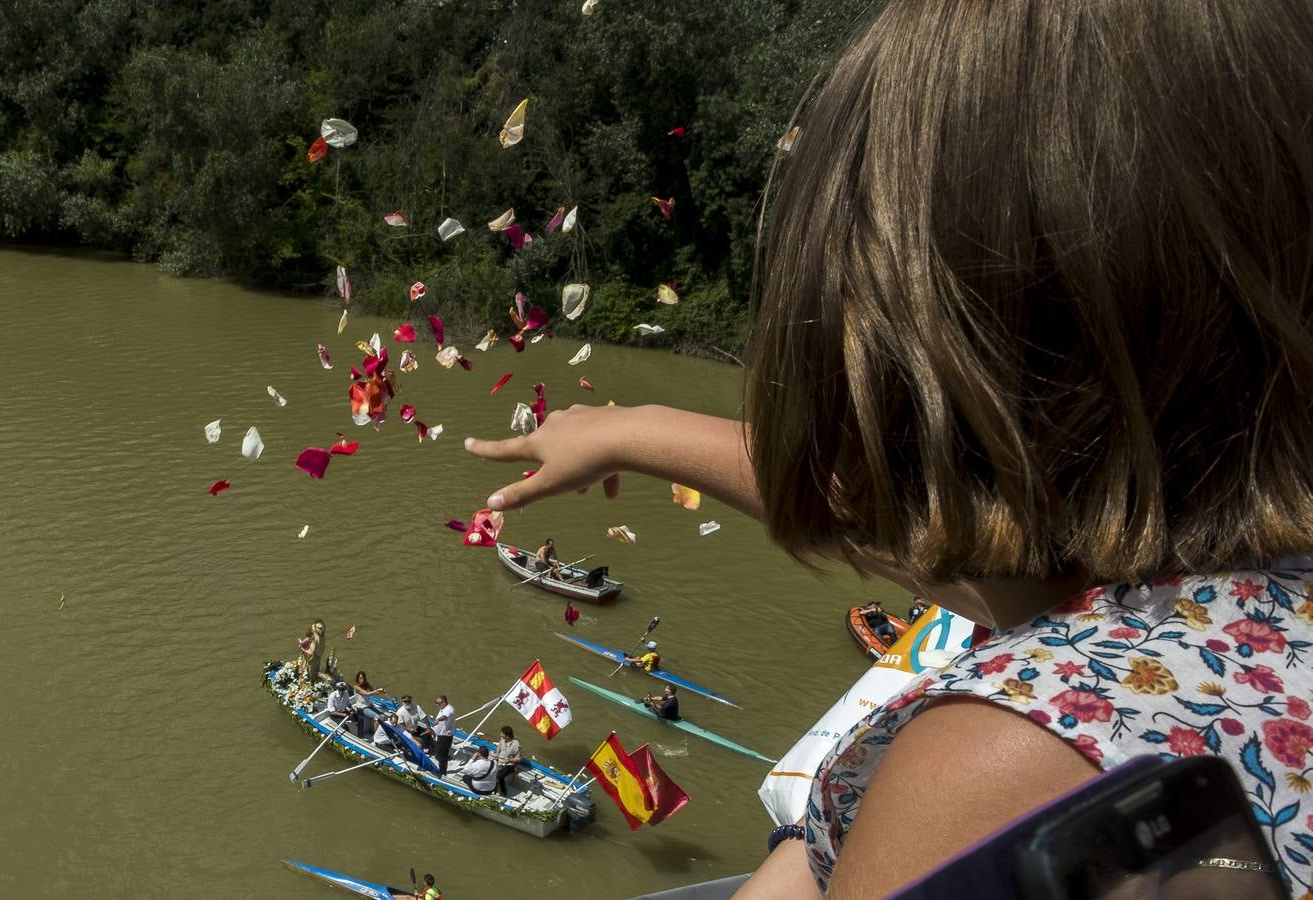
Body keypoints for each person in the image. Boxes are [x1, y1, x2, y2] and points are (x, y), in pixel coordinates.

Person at [463, 2, 1313, 894]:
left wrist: (816, 852)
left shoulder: (1006, 761)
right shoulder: (1234, 596)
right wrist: (637, 430)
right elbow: (984, 556)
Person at [493, 725, 522, 796]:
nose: (501, 737)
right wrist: (496, 754)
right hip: (499, 760)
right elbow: (498, 748)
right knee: (489, 768)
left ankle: (504, 791)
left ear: (507, 736)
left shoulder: (516, 744)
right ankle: (491, 786)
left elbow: (519, 758)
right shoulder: (502, 740)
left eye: (503, 735)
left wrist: (510, 759)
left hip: (509, 765)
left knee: (500, 776)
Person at [430, 694, 456, 776]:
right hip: (440, 734)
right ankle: (439, 756)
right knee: (439, 751)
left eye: (438, 703)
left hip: (445, 736)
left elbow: (445, 716)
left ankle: (442, 772)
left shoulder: (449, 710)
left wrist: (438, 719)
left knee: (442, 756)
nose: (436, 705)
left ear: (444, 702)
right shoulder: (443, 708)